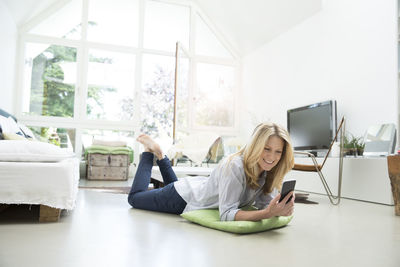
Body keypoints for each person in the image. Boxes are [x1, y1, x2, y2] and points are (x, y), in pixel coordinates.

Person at [128, 122, 295, 222]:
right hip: (181, 198)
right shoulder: (235, 166)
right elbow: (227, 214)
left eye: (278, 152)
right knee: (135, 198)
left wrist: (279, 208)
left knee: (174, 185)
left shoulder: (268, 171)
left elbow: (264, 204)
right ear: (256, 146)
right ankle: (149, 153)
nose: (271, 157)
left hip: (196, 187)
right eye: (266, 149)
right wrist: (267, 214)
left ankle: (160, 155)